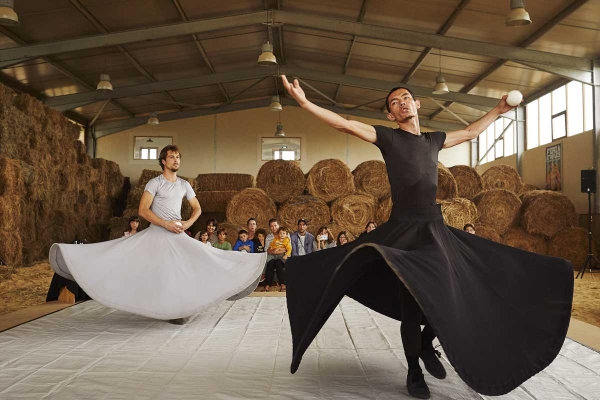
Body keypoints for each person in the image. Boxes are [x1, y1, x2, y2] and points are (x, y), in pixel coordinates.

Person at [281, 75, 573, 399]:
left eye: (406, 98)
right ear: (390, 115)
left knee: (451, 289)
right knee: (411, 304)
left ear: (417, 104)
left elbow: (471, 132)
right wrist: (305, 102)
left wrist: (498, 110)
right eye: (394, 103)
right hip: (403, 229)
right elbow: (345, 124)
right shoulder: (389, 138)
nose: (402, 103)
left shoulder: (433, 140)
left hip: (434, 227)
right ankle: (413, 371)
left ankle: (424, 343)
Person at [49, 145, 266, 321]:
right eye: (172, 157)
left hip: (177, 233)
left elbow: (197, 208)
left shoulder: (184, 184)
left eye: (178, 157)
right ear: (163, 161)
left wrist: (187, 223)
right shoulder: (155, 183)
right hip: (158, 233)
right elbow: (143, 210)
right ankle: (163, 310)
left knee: (202, 260)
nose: (176, 160)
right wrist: (165, 224)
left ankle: (180, 310)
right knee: (155, 271)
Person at [265, 226, 291, 292]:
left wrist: (286, 254)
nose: (282, 235)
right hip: (273, 255)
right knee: (269, 263)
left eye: (283, 233)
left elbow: (289, 249)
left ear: (286, 234)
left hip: (281, 256)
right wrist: (271, 249)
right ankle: (267, 284)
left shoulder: (287, 240)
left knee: (279, 263)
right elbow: (271, 245)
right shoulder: (275, 239)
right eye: (280, 233)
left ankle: (283, 284)